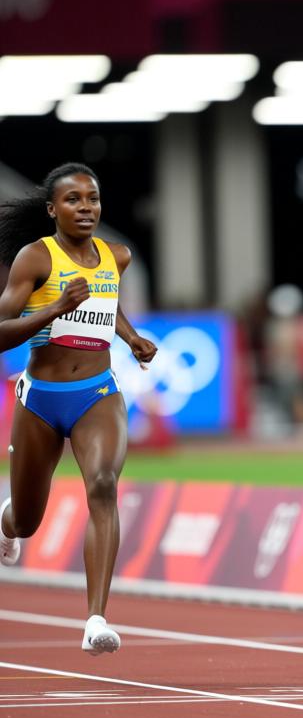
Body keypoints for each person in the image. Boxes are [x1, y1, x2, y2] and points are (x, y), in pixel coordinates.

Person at [0, 162, 157, 654]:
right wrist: (52, 309)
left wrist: (131, 339)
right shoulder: (35, 260)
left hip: (97, 394)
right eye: (73, 200)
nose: (86, 207)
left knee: (104, 486)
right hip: (41, 401)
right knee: (28, 521)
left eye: (92, 198)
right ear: (52, 209)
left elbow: (107, 307)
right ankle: (5, 522)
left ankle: (96, 620)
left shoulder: (117, 256)